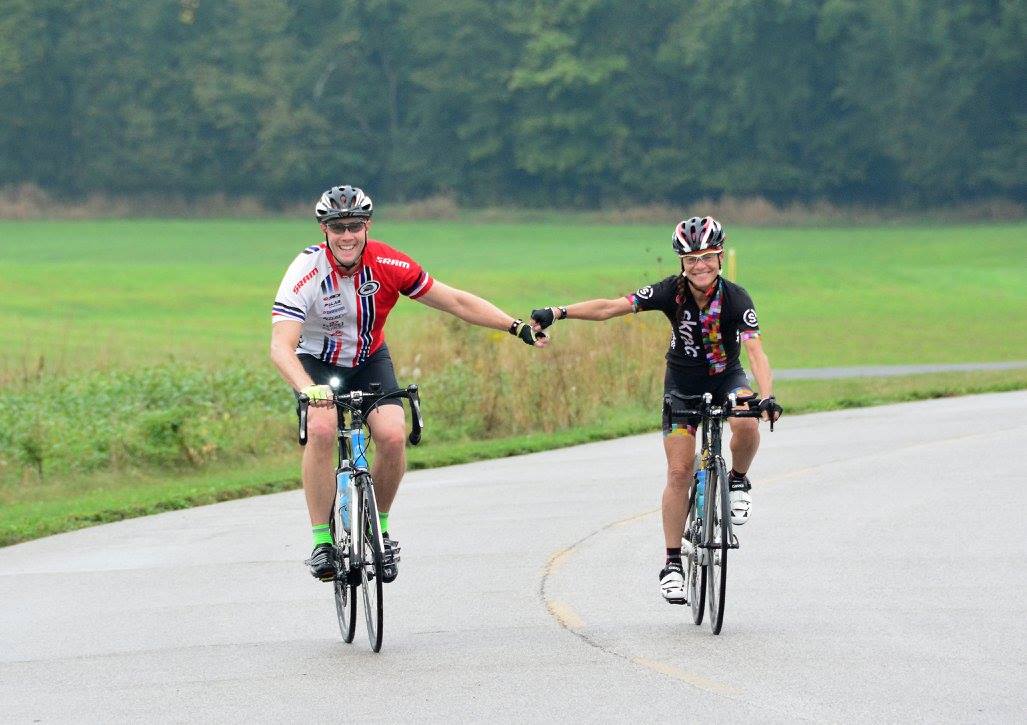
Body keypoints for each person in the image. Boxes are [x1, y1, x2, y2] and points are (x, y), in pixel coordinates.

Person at [271, 185, 546, 582]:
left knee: (393, 435)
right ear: (323, 230)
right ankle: (322, 541)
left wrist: (514, 326)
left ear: (367, 226)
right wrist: (306, 388)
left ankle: (379, 531)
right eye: (337, 228)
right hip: (315, 362)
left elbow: (455, 301)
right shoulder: (306, 271)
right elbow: (281, 346)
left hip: (368, 359)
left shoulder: (388, 263)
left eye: (354, 226)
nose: (346, 236)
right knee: (322, 428)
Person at [530, 216, 782, 604]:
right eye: (691, 259)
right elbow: (610, 307)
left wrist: (766, 397)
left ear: (720, 257)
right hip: (681, 385)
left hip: (726, 378)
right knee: (679, 472)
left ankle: (737, 481)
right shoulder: (670, 292)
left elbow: (756, 351)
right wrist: (558, 312)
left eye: (707, 257)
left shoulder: (736, 297)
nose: (700, 266)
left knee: (747, 421)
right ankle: (672, 564)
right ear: (682, 262)